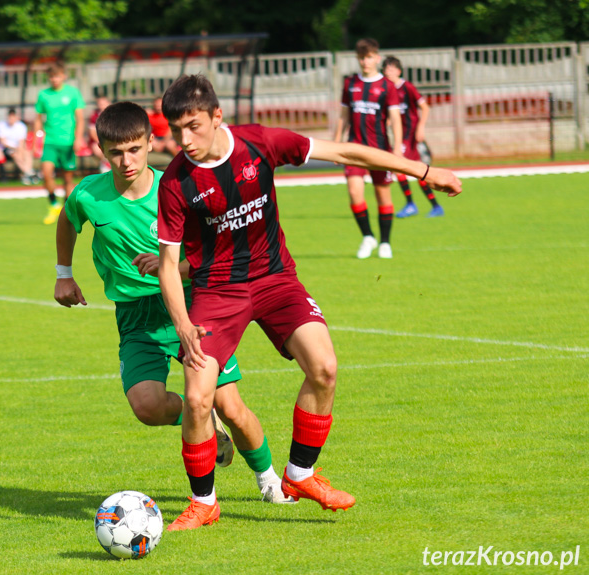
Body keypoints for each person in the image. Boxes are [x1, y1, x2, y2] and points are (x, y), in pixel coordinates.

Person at [156, 74, 461, 531]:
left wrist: (422, 170)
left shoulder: (260, 143)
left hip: (276, 279)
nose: (185, 140)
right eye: (176, 130)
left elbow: (346, 151)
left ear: (217, 116)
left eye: (193, 126)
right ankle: (204, 503)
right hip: (218, 292)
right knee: (199, 398)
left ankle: (300, 475)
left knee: (324, 367)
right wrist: (182, 323)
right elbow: (167, 265)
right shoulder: (177, 182)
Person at [54, 101, 295, 504]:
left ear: (151, 143)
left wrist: (176, 268)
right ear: (101, 150)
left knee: (231, 405)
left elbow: (216, 251)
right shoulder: (88, 195)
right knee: (146, 406)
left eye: (134, 149)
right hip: (135, 317)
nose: (126, 160)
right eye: (115, 152)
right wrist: (64, 274)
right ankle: (200, 418)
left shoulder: (180, 187)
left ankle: (270, 480)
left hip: (190, 306)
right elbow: (67, 221)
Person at [334, 38, 403, 259]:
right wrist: (336, 144)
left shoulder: (387, 86)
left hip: (380, 150)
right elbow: (343, 116)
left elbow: (395, 118)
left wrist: (398, 149)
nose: (366, 61)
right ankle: (367, 237)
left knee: (383, 196)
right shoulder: (350, 84)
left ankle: (385, 242)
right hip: (353, 148)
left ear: (377, 58)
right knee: (354, 193)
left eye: (370, 57)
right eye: (362, 57)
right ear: (358, 59)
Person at [382, 56, 444, 218]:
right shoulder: (388, 89)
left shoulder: (407, 87)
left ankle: (411, 204)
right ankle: (434, 206)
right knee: (418, 171)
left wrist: (421, 127)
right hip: (400, 135)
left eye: (391, 69)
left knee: (398, 167)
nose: (388, 72)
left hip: (409, 135)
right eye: (385, 69)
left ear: (398, 71)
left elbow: (425, 107)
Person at [34, 62, 85, 225]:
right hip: (50, 141)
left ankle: (66, 211)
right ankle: (53, 204)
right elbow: (38, 118)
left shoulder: (73, 93)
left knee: (67, 180)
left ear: (63, 76)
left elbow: (80, 118)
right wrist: (38, 137)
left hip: (68, 142)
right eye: (51, 77)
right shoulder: (44, 95)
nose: (54, 79)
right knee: (46, 172)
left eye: (57, 76)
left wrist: (78, 138)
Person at [0, 107, 39, 185]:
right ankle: (30, 173)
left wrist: (20, 149)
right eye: (10, 118)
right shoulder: (2, 125)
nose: (11, 120)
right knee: (15, 155)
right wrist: (16, 149)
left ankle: (27, 174)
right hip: (6, 149)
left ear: (16, 117)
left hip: (18, 148)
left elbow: (21, 142)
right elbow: (3, 142)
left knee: (27, 152)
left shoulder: (21, 126)